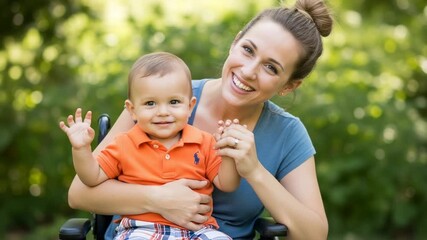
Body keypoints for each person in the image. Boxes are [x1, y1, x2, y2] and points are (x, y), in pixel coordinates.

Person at [67, 0, 333, 239]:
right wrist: (157, 199)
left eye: (271, 68)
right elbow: (79, 193)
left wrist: (254, 171)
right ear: (235, 42)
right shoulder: (161, 100)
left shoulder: (287, 134)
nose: (249, 71)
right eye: (248, 50)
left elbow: (314, 234)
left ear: (289, 86)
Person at [59, 52, 240, 239]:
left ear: (190, 106)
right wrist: (81, 150)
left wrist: (227, 154)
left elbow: (227, 184)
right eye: (150, 103)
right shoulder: (124, 144)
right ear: (132, 110)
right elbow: (91, 177)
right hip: (140, 229)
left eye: (174, 102)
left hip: (197, 229)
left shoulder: (204, 141)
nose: (163, 112)